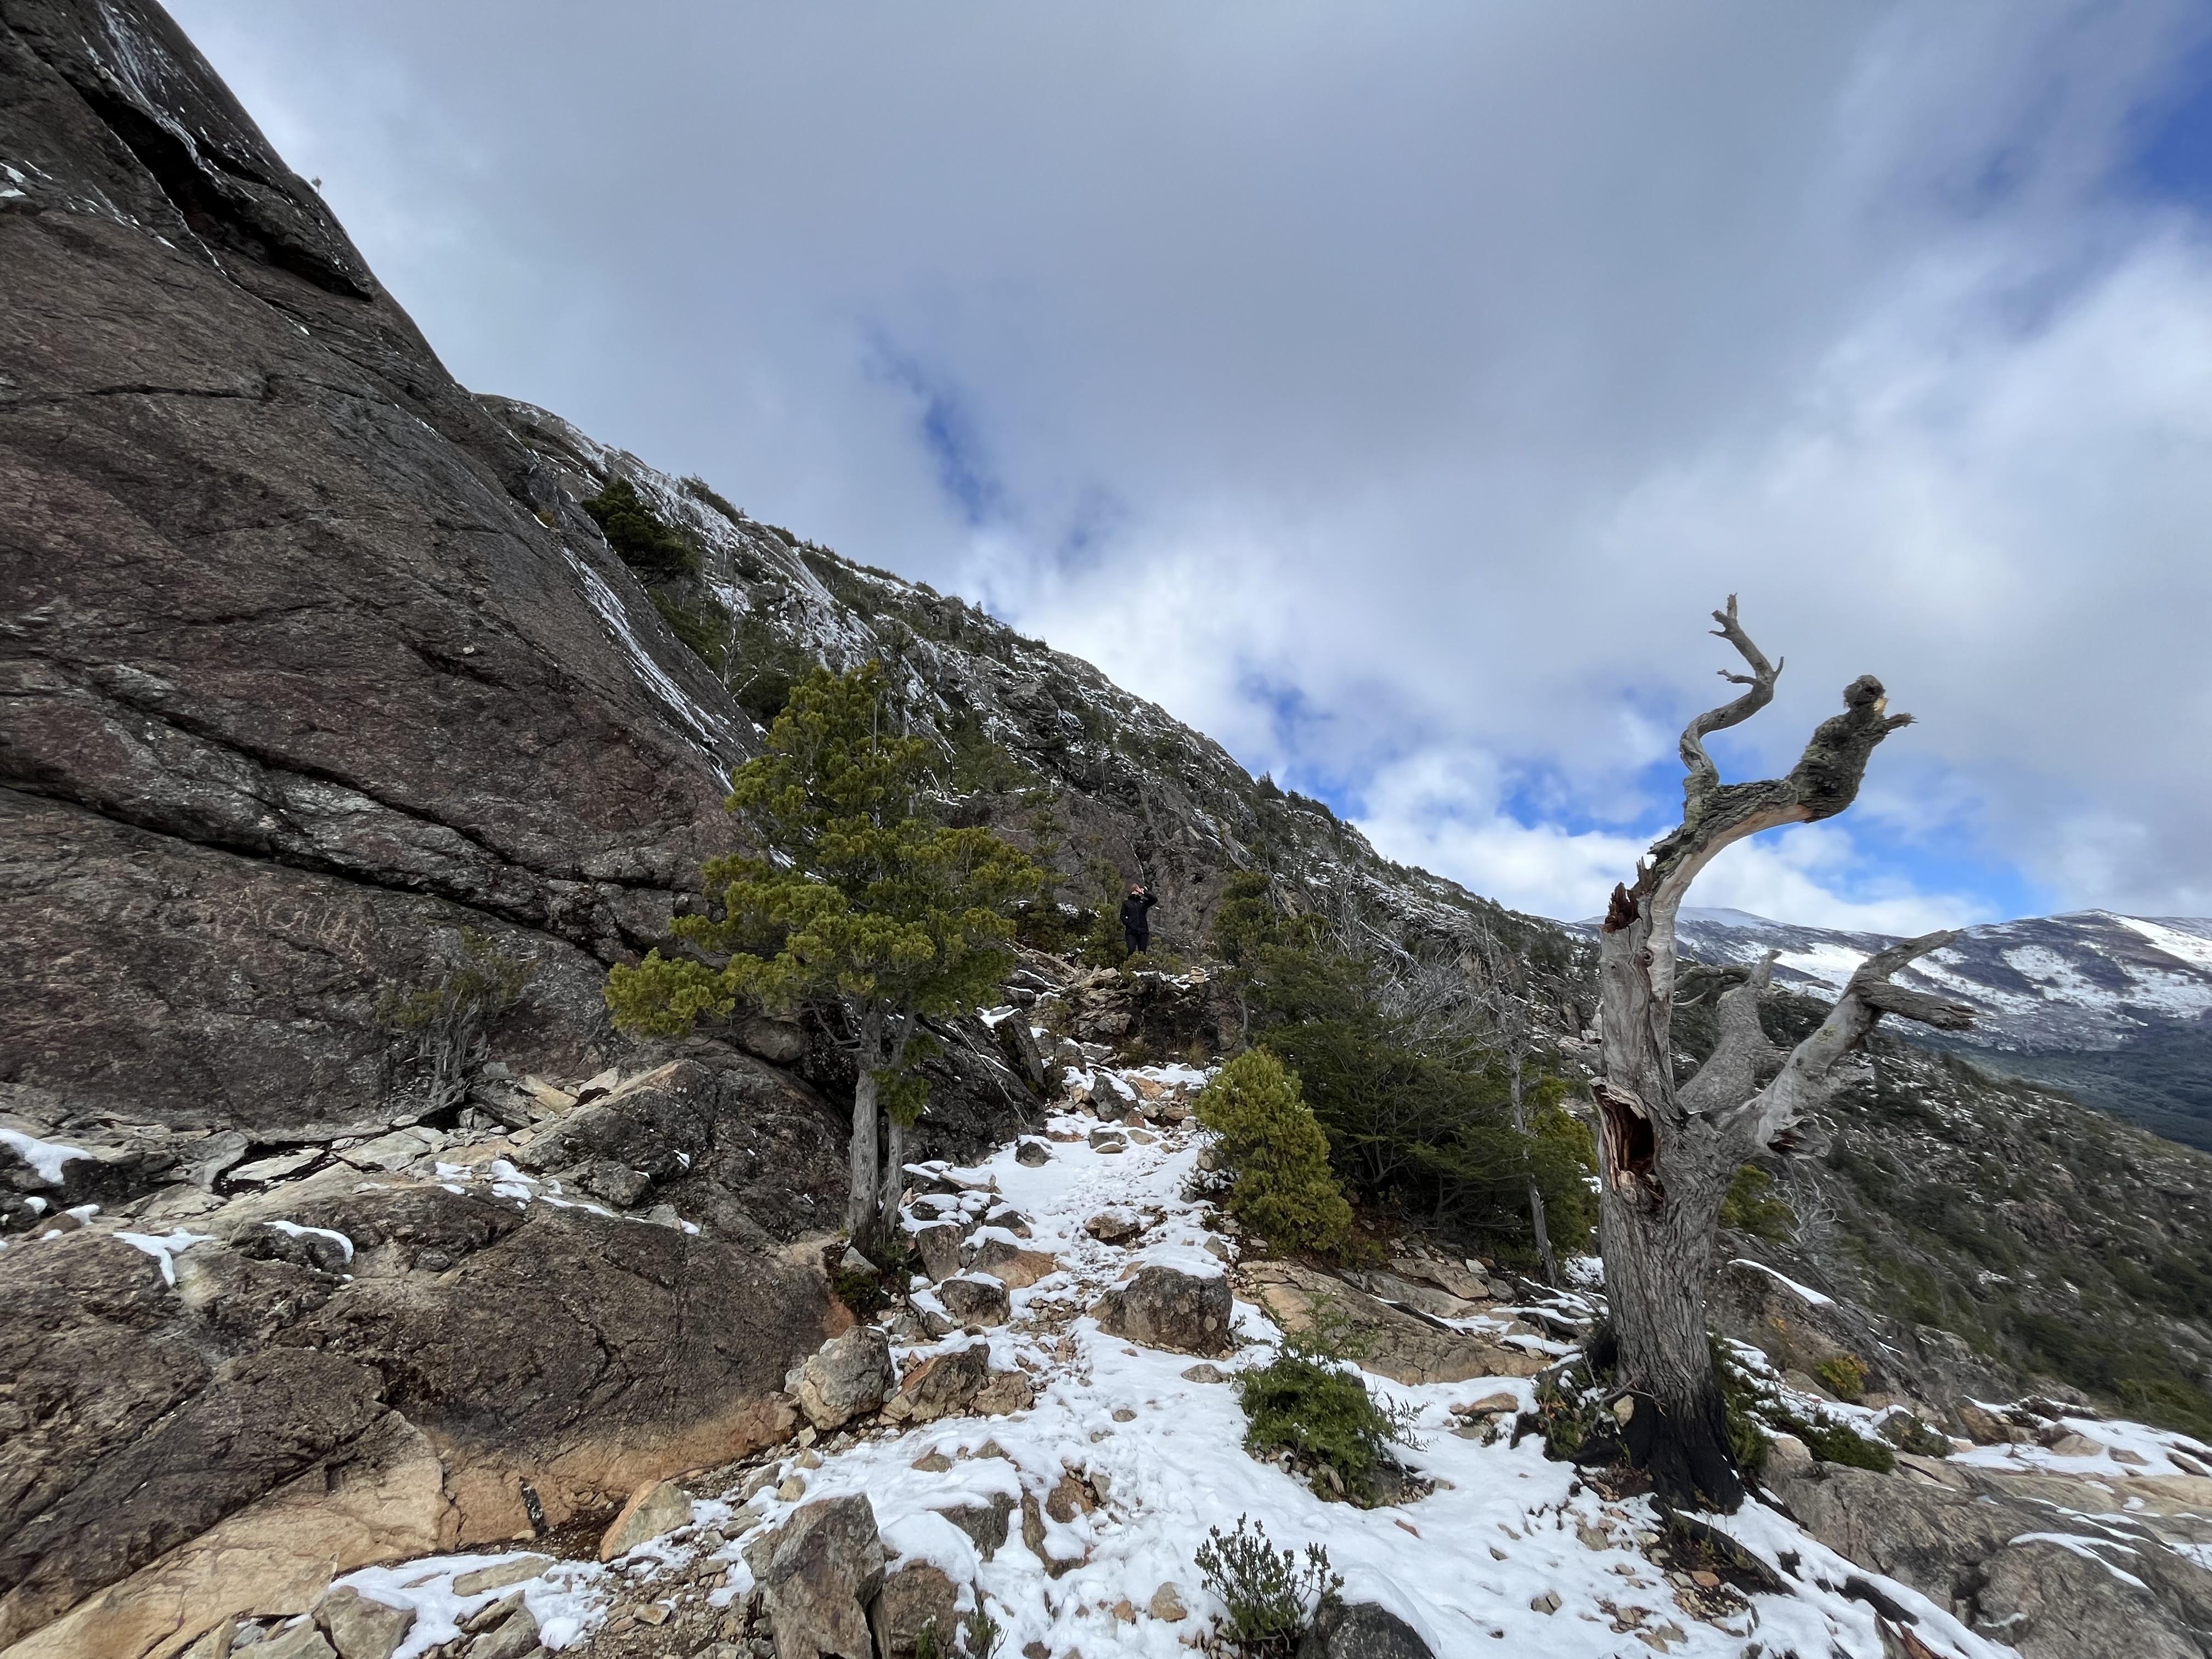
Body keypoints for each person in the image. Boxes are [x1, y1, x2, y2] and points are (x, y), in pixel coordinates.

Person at [1119, 883, 1159, 958]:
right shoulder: (1127, 903)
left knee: (1142, 953)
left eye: (1138, 890)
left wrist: (1145, 893)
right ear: (1132, 891)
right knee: (1131, 950)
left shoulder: (1144, 903)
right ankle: (1130, 964)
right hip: (1131, 931)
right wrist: (1129, 924)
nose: (1137, 892)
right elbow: (1122, 916)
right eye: (1136, 890)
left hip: (1143, 931)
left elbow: (1154, 900)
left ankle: (1141, 965)